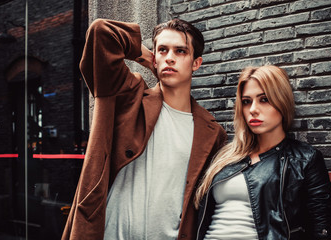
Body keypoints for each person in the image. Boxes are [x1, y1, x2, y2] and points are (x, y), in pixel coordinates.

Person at [61, 18, 227, 240]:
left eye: (180, 51)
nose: (170, 57)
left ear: (196, 63)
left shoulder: (212, 133)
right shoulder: (130, 97)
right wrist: (147, 58)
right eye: (163, 50)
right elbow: (101, 32)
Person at [194, 65, 331, 240]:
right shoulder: (225, 156)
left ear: (282, 101)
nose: (253, 109)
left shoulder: (304, 159)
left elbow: (321, 229)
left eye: (264, 99)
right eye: (246, 101)